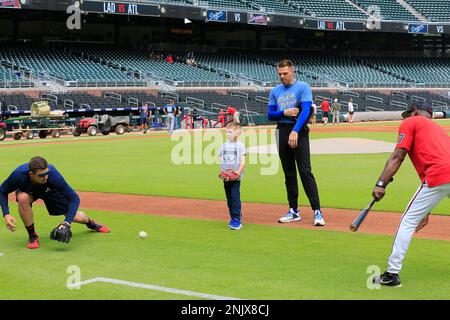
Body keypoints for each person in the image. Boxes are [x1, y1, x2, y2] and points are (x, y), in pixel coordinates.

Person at [372, 101, 450, 287]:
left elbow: (397, 156)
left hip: (438, 175)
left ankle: (392, 274)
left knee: (408, 221)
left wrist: (381, 183)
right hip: (442, 174)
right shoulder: (438, 130)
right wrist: (426, 211)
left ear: (415, 111)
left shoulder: (411, 122)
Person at [0, 157, 110, 249]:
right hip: (30, 192)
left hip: (50, 191)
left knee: (75, 217)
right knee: (22, 198)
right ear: (31, 174)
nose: (45, 177)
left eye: (46, 173)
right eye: (41, 175)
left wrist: (67, 222)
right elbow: (2, 191)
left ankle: (92, 224)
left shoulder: (53, 175)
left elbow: (74, 198)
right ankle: (32, 236)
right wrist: (6, 214)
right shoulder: (18, 175)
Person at [267, 59, 325, 227]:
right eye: (279, 74)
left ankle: (317, 211)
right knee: (289, 174)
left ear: (293, 71)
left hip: (298, 131)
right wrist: (284, 111)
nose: (282, 77)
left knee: (305, 171)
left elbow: (306, 110)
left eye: (285, 73)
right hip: (281, 130)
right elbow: (270, 115)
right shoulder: (275, 91)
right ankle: (293, 211)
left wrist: (295, 131)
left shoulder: (303, 87)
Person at [217, 123, 246, 230]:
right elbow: (219, 156)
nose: (227, 134)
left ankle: (237, 220)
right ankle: (233, 217)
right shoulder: (223, 145)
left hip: (235, 176)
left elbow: (243, 161)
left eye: (230, 132)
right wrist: (224, 168)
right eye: (227, 132)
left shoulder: (240, 146)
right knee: (229, 199)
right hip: (226, 176)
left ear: (237, 133)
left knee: (235, 197)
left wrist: (237, 172)